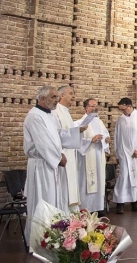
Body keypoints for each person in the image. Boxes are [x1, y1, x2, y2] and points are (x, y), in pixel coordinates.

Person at [23, 86, 82, 240]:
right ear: (42, 99)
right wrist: (58, 157)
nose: (56, 101)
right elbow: (43, 143)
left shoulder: (50, 116)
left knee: (54, 201)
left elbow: (58, 135)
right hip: (41, 165)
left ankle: (54, 237)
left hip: (51, 165)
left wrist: (76, 132)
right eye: (53, 97)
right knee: (42, 201)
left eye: (57, 97)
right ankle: (38, 239)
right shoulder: (35, 116)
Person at [76, 99, 111, 215]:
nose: (96, 108)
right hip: (87, 157)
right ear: (86, 108)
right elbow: (76, 141)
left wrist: (106, 140)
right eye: (93, 106)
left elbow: (106, 135)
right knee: (87, 183)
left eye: (97, 106)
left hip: (98, 156)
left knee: (99, 182)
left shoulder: (99, 122)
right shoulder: (80, 123)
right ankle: (86, 209)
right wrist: (91, 140)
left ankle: (98, 208)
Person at [52, 85, 82, 212]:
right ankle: (63, 216)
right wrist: (60, 153)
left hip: (70, 155)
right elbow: (56, 135)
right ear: (62, 95)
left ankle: (70, 219)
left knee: (70, 187)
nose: (73, 96)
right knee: (64, 187)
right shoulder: (56, 111)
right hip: (62, 156)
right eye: (71, 93)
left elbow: (68, 133)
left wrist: (77, 131)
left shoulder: (66, 112)